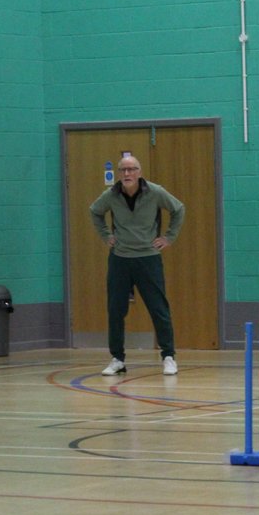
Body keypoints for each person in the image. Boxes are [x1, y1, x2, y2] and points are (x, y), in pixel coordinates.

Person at [90, 155, 185, 376]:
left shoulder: (155, 192)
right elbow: (95, 211)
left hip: (148, 258)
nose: (127, 174)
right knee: (116, 310)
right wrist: (106, 235)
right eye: (123, 170)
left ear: (139, 172)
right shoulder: (111, 195)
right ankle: (117, 358)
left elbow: (178, 209)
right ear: (119, 173)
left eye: (132, 169)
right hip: (120, 259)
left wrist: (169, 237)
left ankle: (168, 356)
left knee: (158, 308)